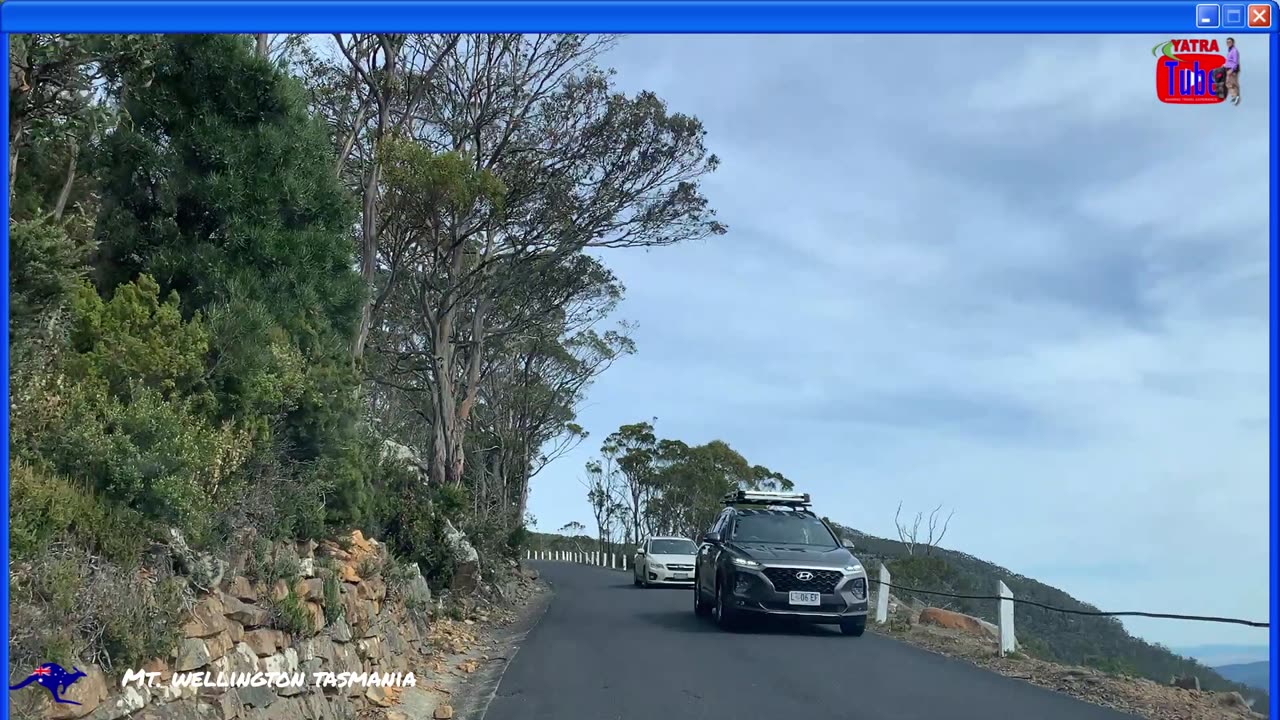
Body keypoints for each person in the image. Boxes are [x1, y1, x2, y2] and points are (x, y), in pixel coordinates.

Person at [1224, 37, 1240, 105]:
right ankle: (1234, 96)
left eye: (1229, 42)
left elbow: (1235, 62)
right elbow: (1230, 61)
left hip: (1232, 70)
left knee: (1232, 83)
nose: (1228, 43)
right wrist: (1225, 65)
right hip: (1228, 69)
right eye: (1227, 42)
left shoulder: (1234, 51)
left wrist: (1231, 70)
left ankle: (1236, 97)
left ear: (1233, 43)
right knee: (1229, 83)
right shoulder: (1230, 50)